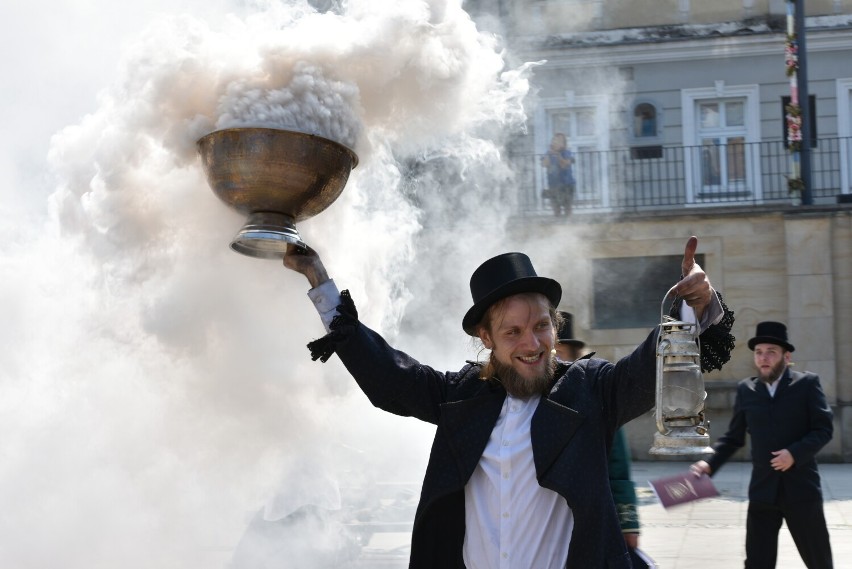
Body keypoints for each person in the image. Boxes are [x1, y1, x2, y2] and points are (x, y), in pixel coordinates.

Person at [283, 236, 734, 569]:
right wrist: (320, 282)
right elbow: (389, 377)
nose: (532, 343)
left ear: (555, 326)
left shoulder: (590, 391)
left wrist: (695, 305)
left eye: (541, 326)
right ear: (487, 338)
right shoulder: (460, 396)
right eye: (512, 332)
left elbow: (651, 364)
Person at [691, 321, 834, 569]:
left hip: (802, 490)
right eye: (758, 352)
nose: (763, 358)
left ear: (786, 356)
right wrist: (709, 463)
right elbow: (734, 437)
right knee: (757, 563)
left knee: (819, 561)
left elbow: (824, 429)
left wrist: (795, 453)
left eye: (771, 352)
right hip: (762, 491)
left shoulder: (807, 384)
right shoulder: (747, 390)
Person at [554, 313, 646, 565]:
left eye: (561, 353)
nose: (557, 360)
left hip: (592, 513)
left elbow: (618, 466)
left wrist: (627, 523)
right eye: (553, 353)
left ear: (574, 355)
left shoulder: (596, 397)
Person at [540, 132, 576, 216]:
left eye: (559, 141)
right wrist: (549, 154)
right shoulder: (548, 153)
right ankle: (558, 226)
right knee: (556, 211)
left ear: (563, 144)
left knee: (568, 210)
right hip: (553, 186)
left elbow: (564, 165)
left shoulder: (567, 152)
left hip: (567, 185)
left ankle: (568, 225)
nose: (556, 142)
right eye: (555, 140)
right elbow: (544, 164)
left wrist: (558, 155)